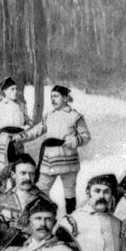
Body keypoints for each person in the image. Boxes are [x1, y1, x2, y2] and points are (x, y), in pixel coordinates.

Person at [25, 84, 91, 213]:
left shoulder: (74, 116)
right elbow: (36, 131)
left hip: (68, 159)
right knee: (40, 189)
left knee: (69, 192)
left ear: (65, 98)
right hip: (49, 159)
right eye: (51, 97)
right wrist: (20, 137)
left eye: (56, 96)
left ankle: (70, 218)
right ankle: (41, 215)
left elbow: (86, 136)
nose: (53, 99)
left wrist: (74, 140)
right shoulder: (49, 116)